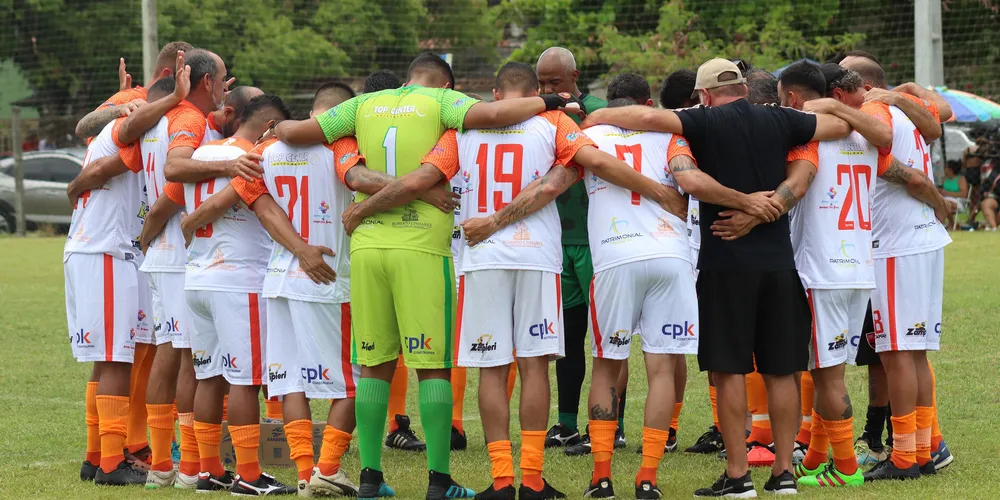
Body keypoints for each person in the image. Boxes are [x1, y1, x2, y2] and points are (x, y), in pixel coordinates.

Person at [273, 52, 584, 500]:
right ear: (446, 84)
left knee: (375, 365)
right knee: (434, 366)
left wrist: (279, 131)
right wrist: (551, 100)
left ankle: (369, 478)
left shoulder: (362, 106)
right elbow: (485, 123)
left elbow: (296, 133)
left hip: (367, 248)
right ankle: (440, 481)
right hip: (422, 247)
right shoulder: (444, 104)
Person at [582, 57, 855, 497]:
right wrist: (767, 205)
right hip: (779, 263)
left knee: (728, 372)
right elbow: (837, 129)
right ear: (744, 88)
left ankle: (737, 473)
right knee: (782, 371)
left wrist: (598, 114)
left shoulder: (701, 121)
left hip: (724, 263)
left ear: (705, 95)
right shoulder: (782, 119)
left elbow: (659, 133)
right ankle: (784, 472)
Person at [425, 64, 685, 500]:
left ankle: (502, 479)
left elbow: (425, 177)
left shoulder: (461, 129)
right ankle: (532, 478)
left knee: (491, 370)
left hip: (481, 259)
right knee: (533, 365)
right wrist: (660, 193)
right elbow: (596, 162)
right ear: (534, 93)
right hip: (536, 257)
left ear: (493, 92)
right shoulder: (554, 120)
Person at [180, 86, 363, 497]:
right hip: (325, 276)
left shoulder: (266, 151)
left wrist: (189, 223)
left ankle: (302, 473)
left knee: (289, 382)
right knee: (354, 381)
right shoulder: (343, 145)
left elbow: (259, 206)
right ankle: (327, 468)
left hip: (275, 278)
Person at [141, 94, 296, 495]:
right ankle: (248, 475)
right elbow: (267, 210)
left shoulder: (205, 150)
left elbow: (174, 201)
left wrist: (189, 224)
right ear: (269, 127)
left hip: (197, 278)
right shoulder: (260, 155)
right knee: (244, 381)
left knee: (209, 377)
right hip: (239, 279)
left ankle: (207, 471)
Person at [63, 72, 188, 487]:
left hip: (109, 250)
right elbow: (98, 140)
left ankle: (97, 455)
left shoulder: (153, 127)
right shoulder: (136, 115)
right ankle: (113, 463)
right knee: (117, 356)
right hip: (107, 250)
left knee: (111, 356)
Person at [576, 76, 699, 499]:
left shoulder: (587, 132)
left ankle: (602, 477)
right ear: (646, 103)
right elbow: (690, 180)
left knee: (607, 364)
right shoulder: (670, 132)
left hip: (616, 257)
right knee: (662, 368)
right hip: (671, 254)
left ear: (607, 103)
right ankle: (647, 476)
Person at [838, 52, 955, 480]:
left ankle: (904, 457)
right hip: (922, 240)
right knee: (915, 353)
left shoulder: (874, 114)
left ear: (861, 89)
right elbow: (939, 116)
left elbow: (898, 169)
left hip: (894, 245)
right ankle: (922, 450)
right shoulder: (907, 113)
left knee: (896, 354)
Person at [535, 47, 623, 453]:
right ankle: (567, 423)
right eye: (541, 83)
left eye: (554, 82)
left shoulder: (601, 113)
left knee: (609, 339)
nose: (547, 89)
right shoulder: (536, 112)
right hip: (557, 242)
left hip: (598, 240)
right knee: (567, 339)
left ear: (574, 76)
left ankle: (613, 426)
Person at [75, 42, 193, 140]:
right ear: (167, 74)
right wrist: (120, 109)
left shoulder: (175, 104)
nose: (187, 83)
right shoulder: (131, 97)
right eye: (183, 75)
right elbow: (82, 129)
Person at [939, 161, 969, 229]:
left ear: (950, 169)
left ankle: (951, 223)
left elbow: (963, 195)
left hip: (958, 201)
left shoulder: (961, 179)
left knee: (945, 203)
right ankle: (951, 224)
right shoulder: (945, 179)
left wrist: (947, 193)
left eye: (946, 167)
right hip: (945, 201)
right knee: (940, 203)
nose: (944, 169)